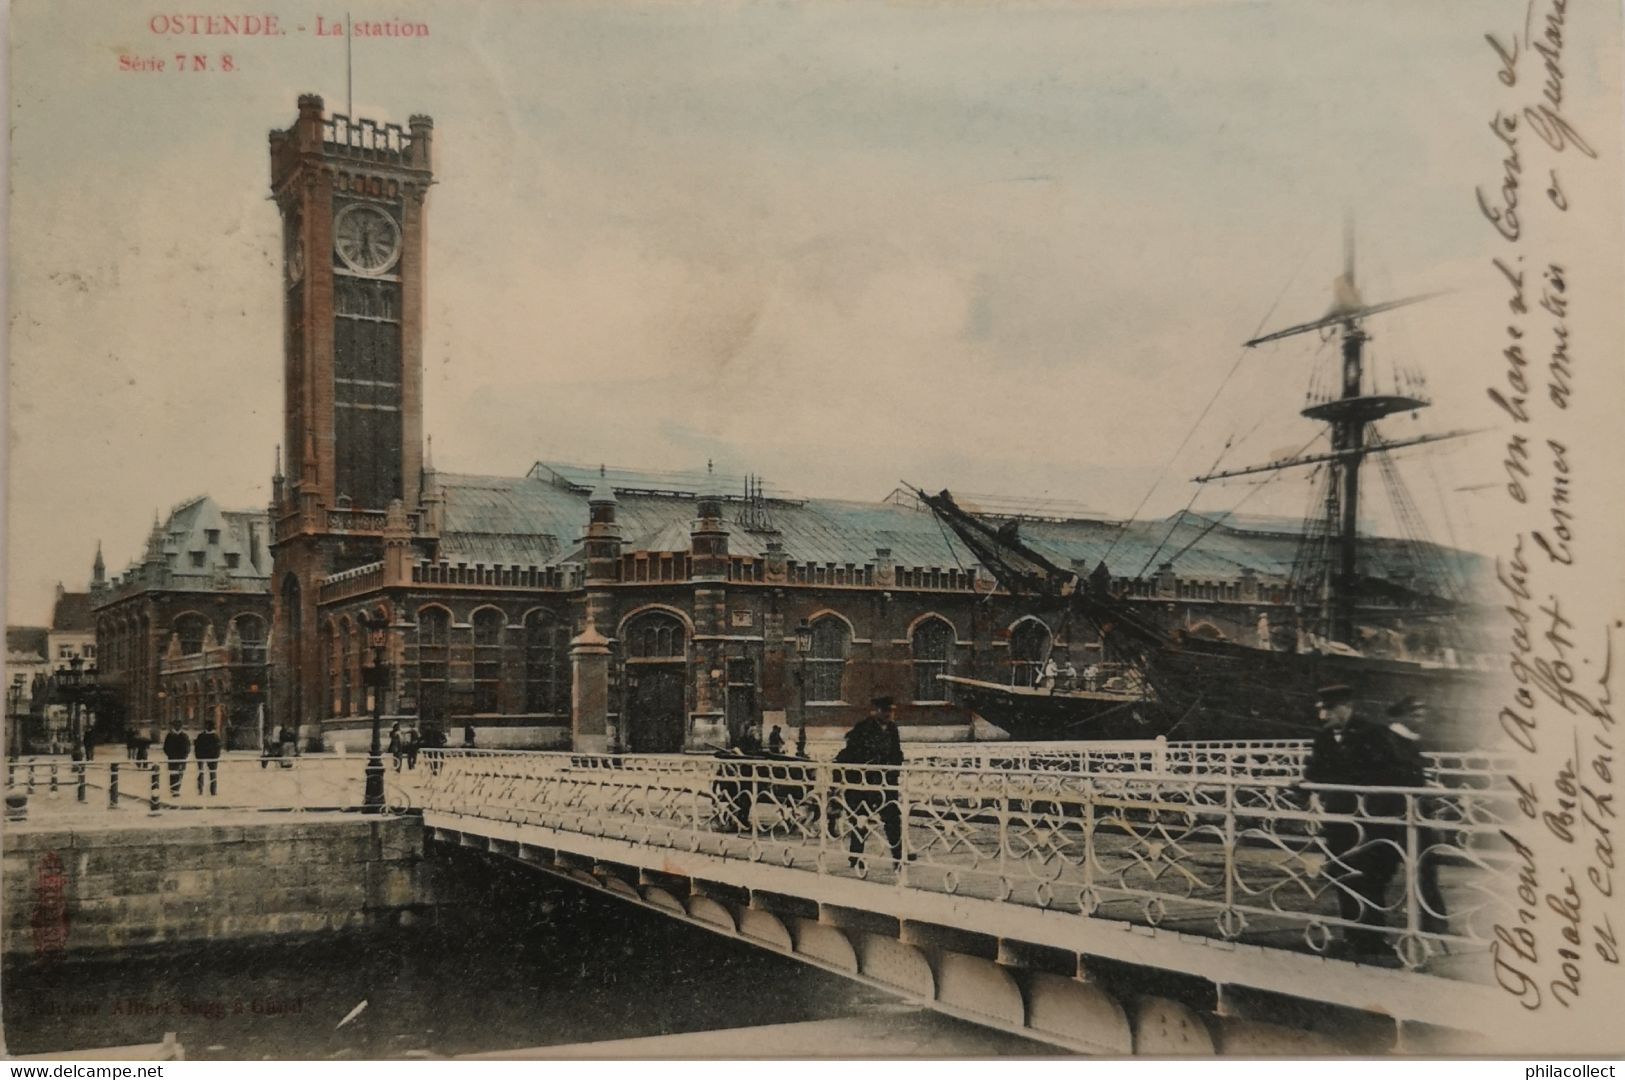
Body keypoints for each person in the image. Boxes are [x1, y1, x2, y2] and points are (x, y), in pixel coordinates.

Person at [1301, 684, 1429, 959]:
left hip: (1373, 820)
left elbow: (1393, 772)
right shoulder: (1323, 737)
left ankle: (1373, 939)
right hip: (1339, 820)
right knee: (1343, 877)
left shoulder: (1373, 733)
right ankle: (1354, 937)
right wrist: (1304, 783)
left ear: (1345, 708)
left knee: (1372, 879)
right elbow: (1314, 769)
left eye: (1329, 711)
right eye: (1323, 711)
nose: (1324, 717)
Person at [834, 696, 906, 868]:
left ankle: (898, 857)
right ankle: (855, 856)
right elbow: (851, 753)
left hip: (886, 782)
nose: (889, 714)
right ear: (875, 711)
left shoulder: (892, 729)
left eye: (891, 711)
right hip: (863, 783)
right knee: (860, 819)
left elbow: (897, 753)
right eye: (886, 711)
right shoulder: (863, 728)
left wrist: (894, 769)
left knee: (892, 819)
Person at [162, 720, 190, 797]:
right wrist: (170, 755)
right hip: (173, 759)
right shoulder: (170, 736)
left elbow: (187, 748)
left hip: (181, 759)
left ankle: (176, 789)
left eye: (179, 726)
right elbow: (166, 748)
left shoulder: (184, 736)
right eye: (176, 726)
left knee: (179, 775)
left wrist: (184, 756)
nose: (177, 727)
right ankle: (174, 790)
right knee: (173, 775)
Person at [194, 721, 222, 797]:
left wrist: (215, 757)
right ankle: (202, 790)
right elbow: (197, 747)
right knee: (203, 773)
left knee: (210, 774)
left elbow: (218, 749)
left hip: (209, 758)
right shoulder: (212, 737)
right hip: (205, 757)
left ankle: (211, 791)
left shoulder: (212, 737)